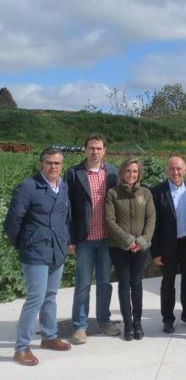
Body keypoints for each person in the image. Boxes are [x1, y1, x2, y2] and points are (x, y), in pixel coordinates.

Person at [4, 148, 71, 366]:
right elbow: (13, 221)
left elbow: (64, 217)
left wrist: (65, 240)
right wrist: (23, 243)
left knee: (50, 296)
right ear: (41, 164)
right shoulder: (28, 187)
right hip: (35, 251)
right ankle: (21, 348)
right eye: (49, 163)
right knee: (35, 298)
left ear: (62, 165)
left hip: (57, 250)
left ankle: (49, 337)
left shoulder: (63, 186)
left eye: (57, 163)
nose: (53, 167)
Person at [66, 134, 120, 344]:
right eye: (91, 148)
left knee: (105, 283)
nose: (94, 152)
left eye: (98, 148)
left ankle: (104, 321)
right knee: (83, 284)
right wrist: (70, 239)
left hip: (107, 239)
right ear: (85, 150)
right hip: (84, 239)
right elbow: (67, 209)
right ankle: (80, 326)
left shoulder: (113, 172)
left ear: (104, 150)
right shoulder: (73, 173)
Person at [105, 158, 155, 341]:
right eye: (128, 171)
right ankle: (128, 324)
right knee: (124, 285)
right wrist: (127, 240)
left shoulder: (146, 193)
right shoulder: (113, 193)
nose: (131, 175)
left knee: (137, 284)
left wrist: (141, 241)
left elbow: (151, 219)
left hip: (140, 248)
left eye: (135, 171)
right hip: (119, 247)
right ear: (122, 173)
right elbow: (110, 221)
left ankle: (138, 323)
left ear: (139, 173)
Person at [151, 156, 186, 333]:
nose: (176, 172)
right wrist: (155, 252)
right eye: (172, 169)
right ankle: (168, 319)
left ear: (185, 170)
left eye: (179, 169)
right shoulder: (157, 192)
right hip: (167, 246)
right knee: (168, 283)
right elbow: (153, 225)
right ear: (167, 170)